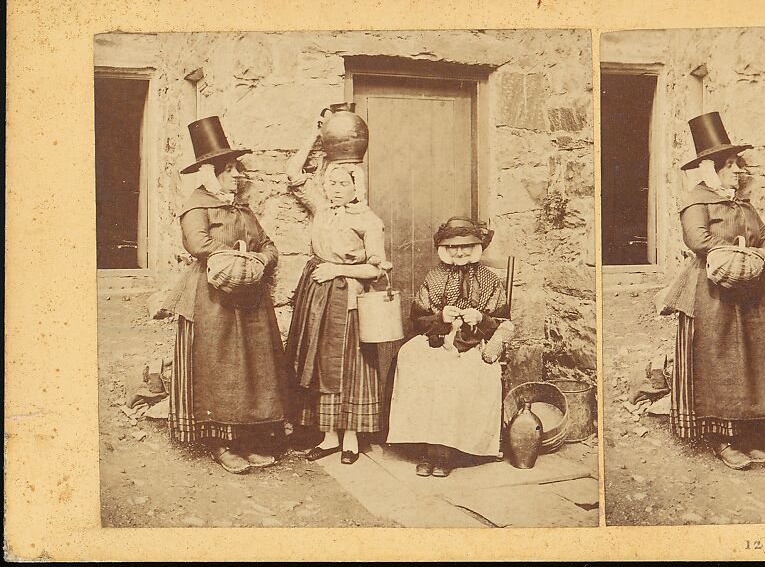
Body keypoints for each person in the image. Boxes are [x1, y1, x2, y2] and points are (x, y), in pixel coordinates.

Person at [656, 112, 765, 470]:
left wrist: (760, 255)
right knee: (718, 361)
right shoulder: (696, 201)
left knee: (753, 361)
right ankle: (720, 438)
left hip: (750, 293)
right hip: (710, 293)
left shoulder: (743, 205)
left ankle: (747, 435)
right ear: (711, 169)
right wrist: (736, 253)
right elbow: (697, 238)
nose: (738, 171)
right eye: (730, 165)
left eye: (738, 164)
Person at [161, 116, 291, 474]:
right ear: (210, 172)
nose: (238, 176)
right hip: (211, 298)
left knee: (251, 367)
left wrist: (260, 259)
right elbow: (198, 243)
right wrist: (239, 256)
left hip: (249, 296)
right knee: (218, 367)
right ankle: (220, 443)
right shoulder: (196, 206)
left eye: (238, 169)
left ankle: (246, 439)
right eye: (231, 169)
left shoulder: (242, 209)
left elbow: (269, 245)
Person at [284, 113, 388, 465]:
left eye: (342, 184)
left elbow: (376, 268)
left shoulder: (368, 220)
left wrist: (337, 269)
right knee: (318, 362)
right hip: (317, 296)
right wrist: (315, 136)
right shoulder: (322, 210)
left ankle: (351, 438)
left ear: (356, 185)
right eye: (330, 183)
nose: (334, 189)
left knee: (348, 365)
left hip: (350, 298)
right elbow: (294, 175)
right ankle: (328, 436)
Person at [385, 217, 516, 478]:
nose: (459, 252)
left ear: (477, 246)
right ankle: (425, 446)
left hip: (473, 344)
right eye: (453, 247)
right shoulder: (433, 277)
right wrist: (440, 317)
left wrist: (481, 318)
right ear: (444, 249)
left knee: (454, 375)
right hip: (436, 339)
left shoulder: (489, 280)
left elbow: (503, 324)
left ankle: (444, 452)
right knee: (411, 360)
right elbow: (418, 320)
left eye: (466, 246)